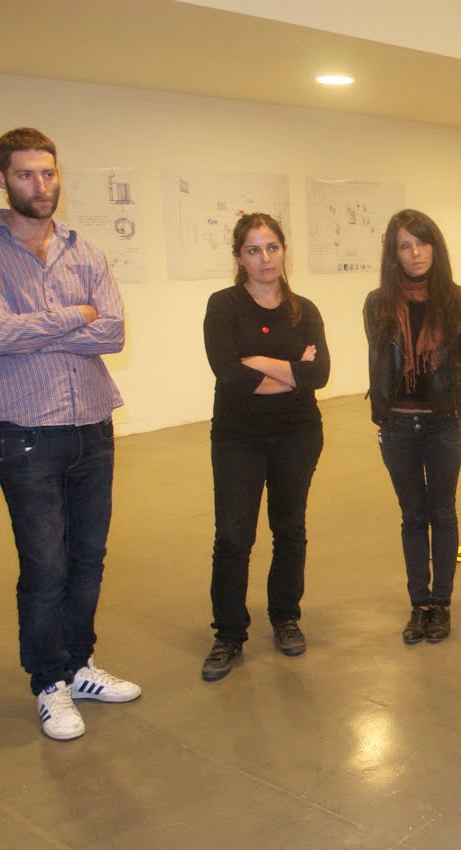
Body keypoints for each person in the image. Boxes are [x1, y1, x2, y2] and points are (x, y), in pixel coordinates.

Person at [0, 127, 140, 740]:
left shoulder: (83, 249)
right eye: (25, 174)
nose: (40, 185)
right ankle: (48, 683)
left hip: (92, 423)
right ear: (1, 179)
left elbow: (113, 331)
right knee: (44, 565)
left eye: (48, 172)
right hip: (25, 433)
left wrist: (39, 328)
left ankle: (78, 665)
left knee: (88, 558)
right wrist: (76, 316)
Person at [200, 213, 330, 681]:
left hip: (298, 433)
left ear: (283, 250)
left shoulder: (304, 310)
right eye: (253, 250)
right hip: (238, 437)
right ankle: (228, 634)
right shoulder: (224, 306)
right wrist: (291, 372)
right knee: (233, 536)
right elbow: (229, 374)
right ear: (240, 257)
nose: (265, 258)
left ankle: (285, 617)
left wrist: (256, 361)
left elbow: (319, 375)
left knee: (289, 528)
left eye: (272, 247)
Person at [364, 209, 461, 645]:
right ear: (393, 253)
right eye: (405, 246)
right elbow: (381, 360)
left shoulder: (457, 300)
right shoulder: (377, 303)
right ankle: (420, 604)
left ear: (436, 246)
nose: (415, 253)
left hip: (443, 424)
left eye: (422, 243)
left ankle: (442, 604)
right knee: (412, 516)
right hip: (397, 425)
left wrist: (445, 392)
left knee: (443, 513)